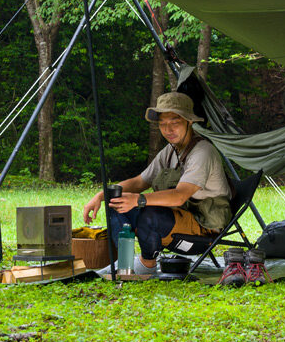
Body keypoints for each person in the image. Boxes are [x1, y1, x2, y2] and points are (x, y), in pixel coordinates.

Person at [83, 91, 232, 275]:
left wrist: (139, 200)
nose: (168, 129)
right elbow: (140, 181)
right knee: (116, 203)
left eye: (175, 122)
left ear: (189, 121)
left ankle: (147, 265)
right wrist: (103, 195)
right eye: (163, 124)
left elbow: (179, 196)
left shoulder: (202, 152)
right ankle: (124, 264)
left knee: (149, 212)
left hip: (203, 230)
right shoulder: (170, 151)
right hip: (177, 218)